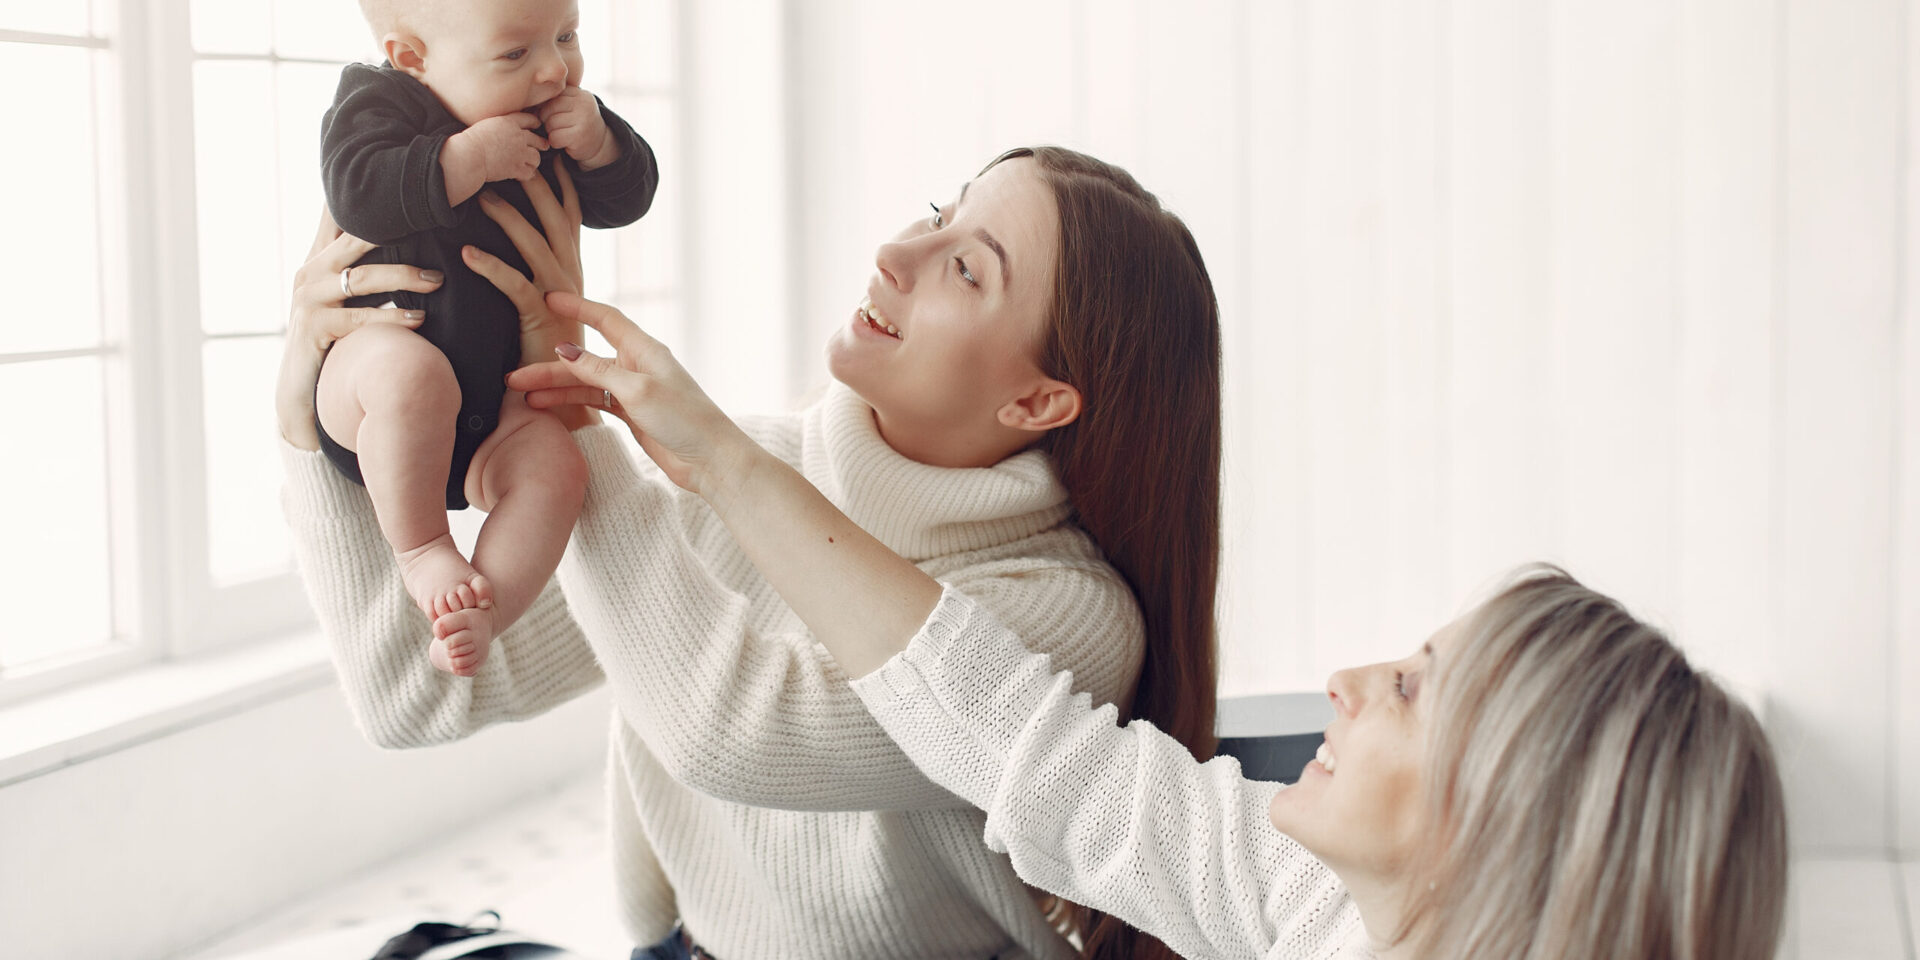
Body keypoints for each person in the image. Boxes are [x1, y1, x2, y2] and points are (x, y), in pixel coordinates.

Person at [515, 299, 1793, 959]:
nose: (1348, 681)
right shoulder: (1309, 902)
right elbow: (1022, 743)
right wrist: (721, 461)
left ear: (1509, 812)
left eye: (1413, 686)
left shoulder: (1079, 610)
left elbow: (737, 725)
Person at [281, 147, 1230, 959]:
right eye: (939, 214)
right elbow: (418, 691)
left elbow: (736, 733)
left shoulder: (1071, 614)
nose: (897, 252)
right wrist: (320, 418)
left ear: (1036, 403)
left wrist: (575, 431)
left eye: (967, 269)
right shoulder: (746, 464)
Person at [314, 0, 659, 675]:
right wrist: (460, 159)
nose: (553, 70)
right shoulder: (378, 101)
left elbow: (628, 197)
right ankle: (423, 551)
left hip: (492, 414)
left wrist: (602, 145)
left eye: (567, 36)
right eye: (515, 53)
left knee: (556, 467)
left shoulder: (559, 112)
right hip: (375, 387)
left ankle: (486, 608)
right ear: (413, 57)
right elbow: (357, 192)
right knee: (413, 377)